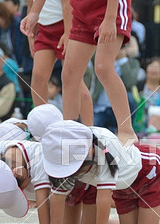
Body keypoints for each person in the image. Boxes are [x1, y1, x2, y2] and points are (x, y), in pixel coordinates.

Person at [54, 0, 138, 145]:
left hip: (109, 8)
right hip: (82, 11)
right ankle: (69, 132)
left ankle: (127, 131)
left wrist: (110, 18)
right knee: (69, 74)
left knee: (103, 68)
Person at [20, 0, 93, 125]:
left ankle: (90, 128)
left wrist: (68, 32)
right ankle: (42, 126)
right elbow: (31, 5)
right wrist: (31, 36)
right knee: (38, 78)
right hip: (43, 27)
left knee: (75, 81)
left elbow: (67, 4)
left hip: (67, 24)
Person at [91, 46, 139, 133]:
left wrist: (123, 61)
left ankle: (127, 130)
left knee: (130, 97)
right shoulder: (99, 60)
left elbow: (130, 83)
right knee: (94, 132)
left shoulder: (132, 63)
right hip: (101, 108)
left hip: (120, 109)